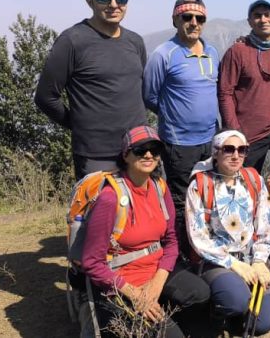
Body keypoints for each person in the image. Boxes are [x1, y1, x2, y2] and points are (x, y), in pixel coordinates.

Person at [80, 126, 210, 338]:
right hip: (123, 278)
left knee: (200, 293)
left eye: (154, 150)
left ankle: (161, 313)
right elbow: (92, 262)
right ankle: (96, 314)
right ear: (126, 155)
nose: (148, 155)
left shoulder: (160, 187)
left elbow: (171, 241)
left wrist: (157, 284)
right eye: (140, 150)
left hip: (155, 269)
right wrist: (136, 295)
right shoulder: (110, 198)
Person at [35, 0, 147, 179]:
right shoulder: (72, 41)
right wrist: (78, 124)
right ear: (90, 2)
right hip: (96, 155)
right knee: (100, 203)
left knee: (145, 202)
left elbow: (140, 89)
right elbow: (45, 97)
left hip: (139, 148)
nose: (113, 5)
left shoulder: (135, 41)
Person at [143, 0, 220, 255]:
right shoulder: (163, 54)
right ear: (175, 20)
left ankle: (207, 246)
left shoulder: (212, 52)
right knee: (181, 199)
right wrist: (175, 116)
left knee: (209, 194)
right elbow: (150, 95)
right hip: (179, 142)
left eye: (200, 18)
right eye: (187, 17)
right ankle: (182, 253)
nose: (194, 22)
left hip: (210, 138)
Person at [186, 130, 270, 336]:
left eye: (242, 150)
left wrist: (260, 261)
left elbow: (266, 224)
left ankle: (233, 318)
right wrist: (233, 264)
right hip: (216, 261)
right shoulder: (200, 185)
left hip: (251, 259)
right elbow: (198, 237)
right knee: (236, 300)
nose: (236, 155)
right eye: (228, 149)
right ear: (215, 152)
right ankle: (215, 315)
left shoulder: (254, 180)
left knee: (262, 322)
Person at [218, 0, 270, 171]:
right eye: (257, 16)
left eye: (268, 15)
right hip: (247, 134)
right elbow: (225, 93)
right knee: (245, 181)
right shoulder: (237, 51)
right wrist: (235, 132)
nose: (263, 20)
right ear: (249, 21)